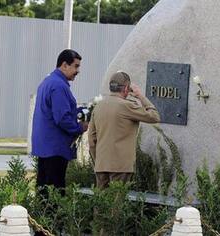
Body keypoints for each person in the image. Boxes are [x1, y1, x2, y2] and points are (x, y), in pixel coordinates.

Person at [88, 71, 160, 189]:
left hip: (101, 164)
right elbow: (154, 116)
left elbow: (91, 139)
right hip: (120, 166)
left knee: (100, 203)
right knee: (116, 204)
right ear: (127, 88)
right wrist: (140, 96)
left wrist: (98, 160)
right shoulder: (127, 106)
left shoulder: (98, 107)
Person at [32, 49, 88, 198]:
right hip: (56, 147)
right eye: (76, 66)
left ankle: (42, 219)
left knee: (43, 190)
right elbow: (62, 118)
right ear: (64, 65)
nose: (78, 71)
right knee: (55, 193)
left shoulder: (48, 81)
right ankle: (53, 221)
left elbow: (56, 111)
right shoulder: (59, 86)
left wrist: (81, 110)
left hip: (45, 145)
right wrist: (79, 128)